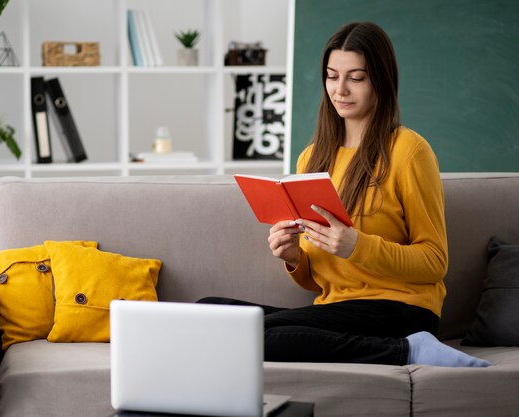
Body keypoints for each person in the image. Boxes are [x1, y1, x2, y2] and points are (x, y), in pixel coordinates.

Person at [199, 22, 490, 367]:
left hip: (401, 309)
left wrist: (357, 246)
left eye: (356, 77)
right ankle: (397, 349)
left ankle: (410, 349)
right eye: (332, 76)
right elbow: (318, 277)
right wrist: (293, 257)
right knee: (208, 312)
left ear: (380, 80)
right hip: (337, 309)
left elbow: (434, 262)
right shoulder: (312, 157)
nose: (340, 90)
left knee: (248, 335)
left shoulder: (408, 151)